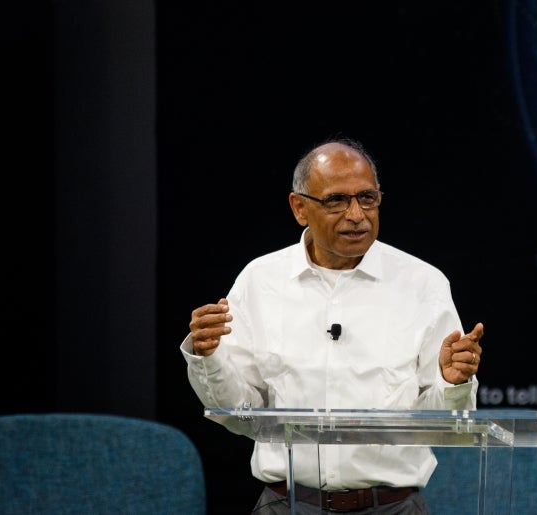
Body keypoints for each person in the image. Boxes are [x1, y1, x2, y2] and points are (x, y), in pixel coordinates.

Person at [182, 138, 484, 514]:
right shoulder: (261, 280)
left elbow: (440, 427)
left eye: (367, 198)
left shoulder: (423, 284)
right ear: (299, 208)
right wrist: (208, 358)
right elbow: (241, 416)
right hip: (287, 504)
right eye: (336, 200)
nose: (356, 214)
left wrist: (453, 384)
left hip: (392, 507)